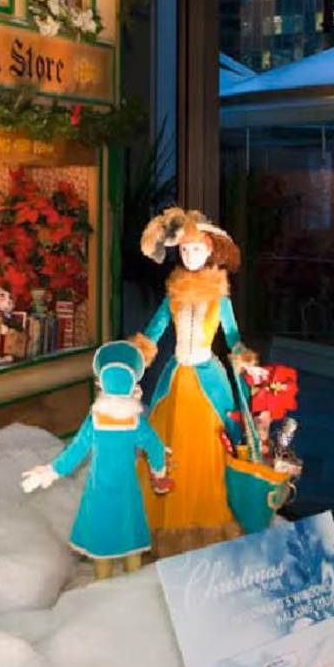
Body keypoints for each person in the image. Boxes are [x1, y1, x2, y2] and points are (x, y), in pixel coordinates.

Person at [129, 207, 267, 556]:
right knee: (169, 447)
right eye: (184, 250)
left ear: (210, 252)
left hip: (207, 378)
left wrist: (247, 362)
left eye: (196, 249)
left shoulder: (218, 294)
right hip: (177, 379)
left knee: (208, 451)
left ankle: (207, 527)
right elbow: (154, 332)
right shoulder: (173, 292)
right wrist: (135, 360)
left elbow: (233, 335)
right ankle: (165, 525)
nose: (189, 255)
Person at [20, 340, 168, 580]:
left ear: (102, 383)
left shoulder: (95, 421)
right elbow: (155, 446)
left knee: (101, 540)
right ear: (132, 384)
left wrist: (49, 472)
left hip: (98, 490)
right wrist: (159, 471)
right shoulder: (136, 421)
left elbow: (75, 452)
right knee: (130, 535)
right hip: (127, 489)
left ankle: (102, 586)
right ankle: (135, 585)